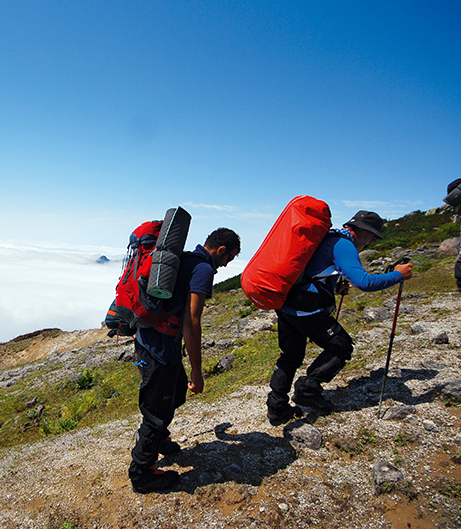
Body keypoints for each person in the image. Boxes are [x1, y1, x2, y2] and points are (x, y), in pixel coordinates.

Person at [266, 211, 412, 425]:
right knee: (341, 346)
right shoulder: (344, 244)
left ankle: (276, 406)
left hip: (286, 303)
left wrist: (334, 287)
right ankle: (308, 389)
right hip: (306, 308)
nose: (371, 240)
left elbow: (314, 271)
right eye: (372, 236)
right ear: (364, 231)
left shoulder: (328, 238)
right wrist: (398, 274)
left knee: (290, 356)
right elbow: (364, 282)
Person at [129, 227, 240, 494]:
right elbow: (192, 322)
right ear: (220, 250)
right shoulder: (202, 270)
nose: (226, 265)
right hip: (161, 350)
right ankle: (142, 473)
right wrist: (198, 372)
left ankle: (160, 440)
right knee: (157, 412)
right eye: (229, 259)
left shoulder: (188, 259)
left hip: (148, 340)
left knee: (176, 391)